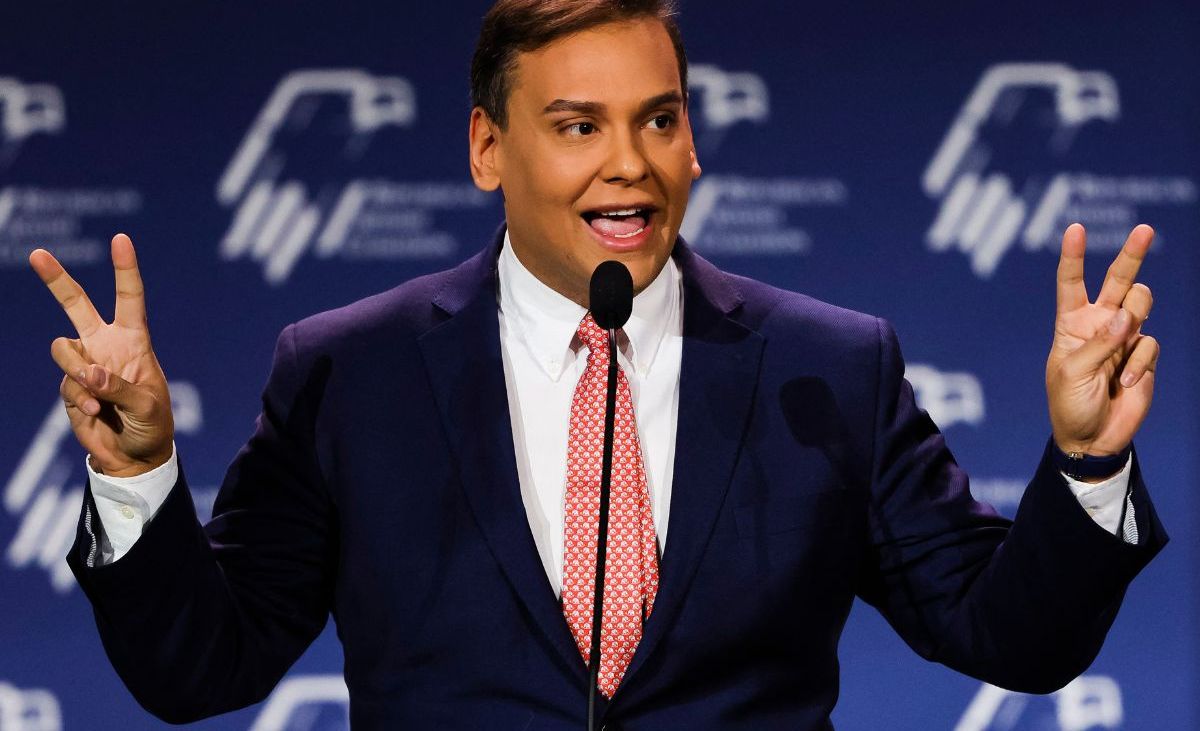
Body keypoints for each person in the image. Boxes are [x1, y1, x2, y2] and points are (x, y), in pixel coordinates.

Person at [29, 1, 1166, 728]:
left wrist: (1086, 460)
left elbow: (1007, 637)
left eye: (659, 120)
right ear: (488, 147)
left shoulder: (828, 368)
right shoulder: (350, 373)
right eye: (579, 126)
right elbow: (202, 668)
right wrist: (137, 472)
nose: (631, 163)